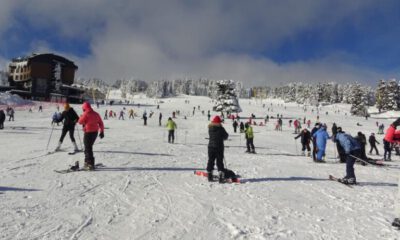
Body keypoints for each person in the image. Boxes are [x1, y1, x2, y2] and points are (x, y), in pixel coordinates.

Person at [78, 102, 104, 170]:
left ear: (84, 108)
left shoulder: (85, 113)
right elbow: (101, 123)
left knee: (88, 148)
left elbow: (80, 122)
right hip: (95, 133)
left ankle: (90, 164)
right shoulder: (96, 114)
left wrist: (81, 116)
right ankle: (87, 161)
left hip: (88, 133)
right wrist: (102, 131)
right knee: (88, 147)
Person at [207, 116, 229, 182]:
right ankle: (221, 176)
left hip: (210, 147)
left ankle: (209, 175)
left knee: (211, 160)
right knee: (219, 162)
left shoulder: (210, 128)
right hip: (219, 147)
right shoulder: (221, 129)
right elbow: (226, 136)